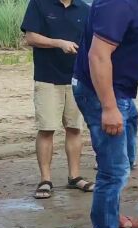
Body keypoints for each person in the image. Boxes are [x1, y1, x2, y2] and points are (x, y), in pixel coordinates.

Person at [72, 0, 138, 228]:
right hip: (103, 95)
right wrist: (108, 107)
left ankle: (112, 217)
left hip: (120, 94)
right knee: (113, 169)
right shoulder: (120, 2)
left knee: (125, 160)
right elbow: (98, 55)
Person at [20, 0, 93, 199]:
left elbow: (92, 42)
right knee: (46, 128)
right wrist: (58, 43)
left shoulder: (85, 9)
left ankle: (75, 177)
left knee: (75, 128)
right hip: (47, 78)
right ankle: (45, 180)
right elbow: (30, 37)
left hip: (77, 78)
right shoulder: (39, 4)